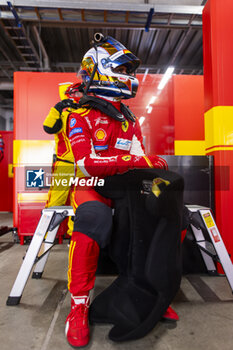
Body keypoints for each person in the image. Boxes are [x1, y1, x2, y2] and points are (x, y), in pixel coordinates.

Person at [65, 34, 177, 348]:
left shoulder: (128, 120)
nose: (130, 76)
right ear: (99, 69)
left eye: (129, 69)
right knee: (92, 220)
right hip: (91, 187)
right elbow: (87, 164)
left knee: (160, 219)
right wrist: (135, 160)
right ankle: (78, 306)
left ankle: (146, 294)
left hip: (125, 188)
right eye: (123, 68)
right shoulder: (78, 116)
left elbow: (140, 163)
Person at [43, 82, 83, 236]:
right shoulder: (61, 113)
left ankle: (76, 236)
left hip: (83, 166)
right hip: (64, 165)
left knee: (80, 201)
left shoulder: (88, 113)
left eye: (81, 93)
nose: (78, 96)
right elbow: (48, 127)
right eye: (76, 93)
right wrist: (57, 108)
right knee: (55, 202)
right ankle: (45, 236)